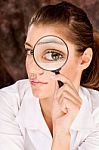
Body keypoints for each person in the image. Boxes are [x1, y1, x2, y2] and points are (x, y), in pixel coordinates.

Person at [0, 1, 99, 150]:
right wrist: (61, 135)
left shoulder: (96, 114)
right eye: (30, 52)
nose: (33, 69)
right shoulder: (7, 103)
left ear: (84, 59)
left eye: (52, 55)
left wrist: (62, 132)